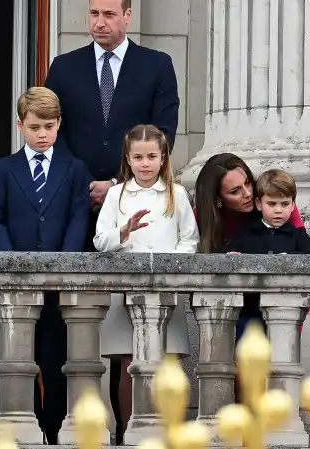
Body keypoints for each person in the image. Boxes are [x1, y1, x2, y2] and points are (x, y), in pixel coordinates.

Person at [0, 86, 91, 444]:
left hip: (59, 284)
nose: (42, 134)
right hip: (16, 282)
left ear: (59, 124)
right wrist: (11, 260)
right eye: (34, 127)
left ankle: (54, 429)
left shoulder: (74, 168)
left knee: (57, 361)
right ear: (20, 126)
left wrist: (66, 262)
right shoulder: (4, 168)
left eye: (48, 126)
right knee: (14, 360)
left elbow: (78, 218)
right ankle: (16, 430)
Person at [44, 0, 179, 246]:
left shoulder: (157, 66)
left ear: (127, 16)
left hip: (135, 203)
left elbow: (163, 134)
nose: (99, 22)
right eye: (94, 13)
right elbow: (51, 130)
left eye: (109, 14)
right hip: (73, 202)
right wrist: (84, 182)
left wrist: (118, 182)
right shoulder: (63, 68)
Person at [93, 124, 197, 438]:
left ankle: (168, 433)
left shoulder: (176, 194)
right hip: (126, 288)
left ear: (164, 158)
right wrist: (124, 232)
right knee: (128, 362)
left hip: (167, 291)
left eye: (152, 156)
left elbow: (190, 240)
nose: (145, 163)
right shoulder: (115, 194)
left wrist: (170, 268)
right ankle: (129, 432)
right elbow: (100, 240)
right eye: (138, 157)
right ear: (128, 158)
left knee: (166, 363)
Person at [193, 153, 308, 341]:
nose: (247, 193)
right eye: (235, 191)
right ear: (218, 198)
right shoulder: (203, 217)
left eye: (248, 182)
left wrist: (292, 323)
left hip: (279, 311)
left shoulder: (275, 205)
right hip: (228, 314)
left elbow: (307, 261)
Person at [226, 169, 310, 255]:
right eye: (272, 204)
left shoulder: (298, 235)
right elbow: (227, 255)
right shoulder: (245, 232)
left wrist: (292, 257)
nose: (278, 210)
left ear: (292, 205)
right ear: (259, 204)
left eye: (285, 204)